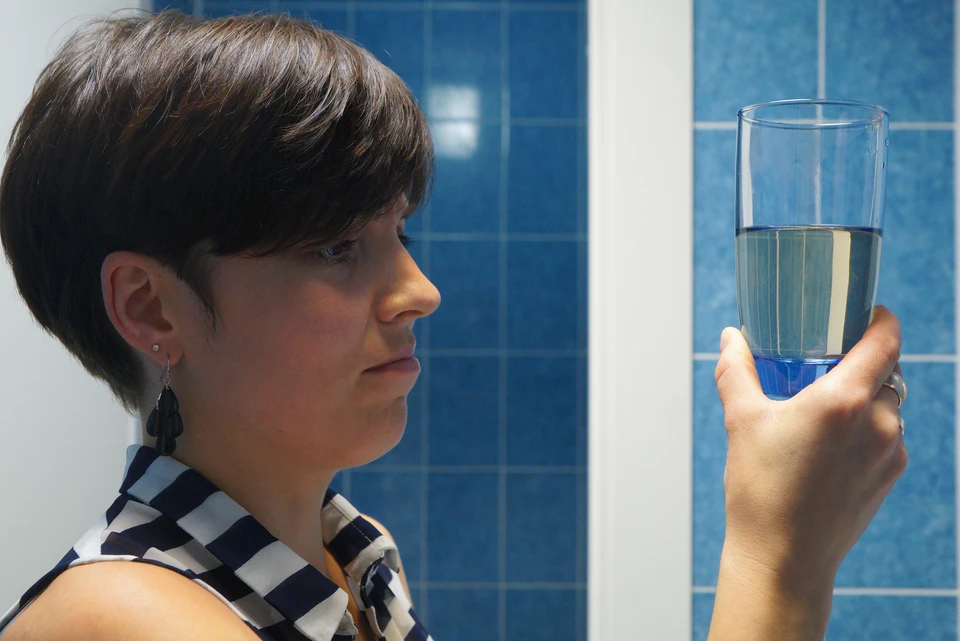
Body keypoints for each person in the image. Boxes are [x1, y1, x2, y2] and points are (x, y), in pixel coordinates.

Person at [0, 10, 907, 641]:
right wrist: (780, 557)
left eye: (399, 234)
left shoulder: (353, 561)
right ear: (149, 306)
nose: (421, 290)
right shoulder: (122, 616)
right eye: (334, 246)